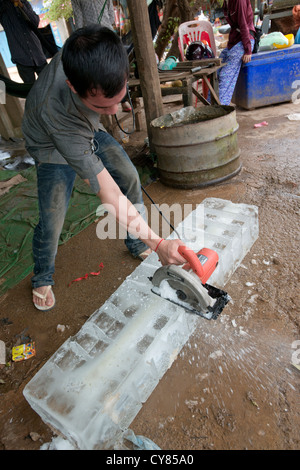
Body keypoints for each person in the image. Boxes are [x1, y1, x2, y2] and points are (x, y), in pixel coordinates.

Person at [22, 25, 187, 311]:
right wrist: (160, 244)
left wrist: (100, 107)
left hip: (85, 129)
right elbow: (108, 194)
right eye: (102, 106)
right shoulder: (57, 112)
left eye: (117, 100)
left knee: (130, 177)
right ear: (74, 87)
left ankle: (135, 242)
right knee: (53, 218)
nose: (113, 112)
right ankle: (42, 276)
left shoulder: (92, 48)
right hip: (50, 142)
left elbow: (102, 103)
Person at [71, 0, 131, 112]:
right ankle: (123, 101)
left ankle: (102, 105)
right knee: (118, 70)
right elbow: (112, 18)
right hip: (108, 36)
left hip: (91, 41)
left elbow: (79, 22)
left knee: (96, 73)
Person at [218, 0, 255, 105]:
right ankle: (210, 105)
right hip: (234, 41)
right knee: (216, 70)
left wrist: (248, 50)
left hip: (245, 41)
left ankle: (221, 108)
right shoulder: (226, 3)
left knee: (225, 75)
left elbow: (244, 26)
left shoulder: (239, 1)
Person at [0, 0, 47, 83]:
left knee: (48, 85)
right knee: (31, 91)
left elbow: (35, 22)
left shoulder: (24, 3)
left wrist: (21, 6)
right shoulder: (3, 7)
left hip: (38, 55)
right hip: (21, 59)